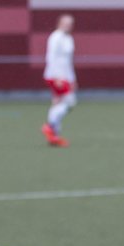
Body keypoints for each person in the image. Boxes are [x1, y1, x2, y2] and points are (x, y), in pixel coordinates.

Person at [41, 15, 76, 148]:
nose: (68, 26)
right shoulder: (55, 37)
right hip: (56, 76)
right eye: (66, 23)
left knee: (58, 103)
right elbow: (50, 57)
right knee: (70, 102)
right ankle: (50, 126)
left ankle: (54, 135)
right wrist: (56, 78)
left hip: (65, 76)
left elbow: (68, 62)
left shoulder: (69, 38)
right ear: (60, 23)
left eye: (70, 24)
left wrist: (72, 79)